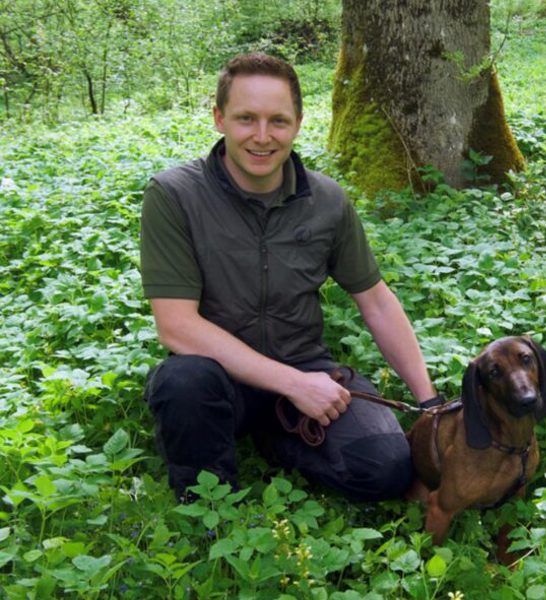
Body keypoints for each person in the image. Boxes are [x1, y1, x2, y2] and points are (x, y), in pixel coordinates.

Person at [139, 52, 441, 502]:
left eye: (278, 121)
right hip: (218, 382)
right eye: (246, 119)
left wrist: (429, 403)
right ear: (219, 118)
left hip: (306, 366)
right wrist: (293, 385)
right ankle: (208, 503)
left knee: (387, 469)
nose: (262, 137)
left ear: (298, 122)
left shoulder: (327, 200)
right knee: (183, 383)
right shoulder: (174, 196)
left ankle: (278, 435)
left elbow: (375, 300)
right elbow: (177, 325)